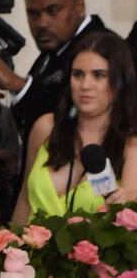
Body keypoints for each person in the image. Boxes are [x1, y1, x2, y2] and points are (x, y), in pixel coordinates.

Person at [11, 30, 137, 225]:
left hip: (98, 254)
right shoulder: (46, 127)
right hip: (31, 252)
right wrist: (8, 248)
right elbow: (24, 202)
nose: (85, 85)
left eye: (98, 75)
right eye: (78, 74)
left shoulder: (131, 144)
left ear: (119, 81)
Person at [0, 0, 106, 145]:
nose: (42, 23)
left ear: (79, 5)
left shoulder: (103, 48)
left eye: (53, 10)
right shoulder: (55, 49)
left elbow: (74, 120)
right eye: (33, 14)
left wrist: (18, 84)